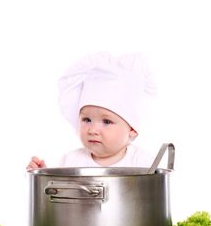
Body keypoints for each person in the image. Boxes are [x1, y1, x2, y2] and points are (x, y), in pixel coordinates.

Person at [27, 52, 156, 170]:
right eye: (87, 120)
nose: (92, 130)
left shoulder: (143, 163)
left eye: (106, 121)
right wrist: (44, 176)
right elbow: (58, 193)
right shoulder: (71, 162)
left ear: (132, 128)